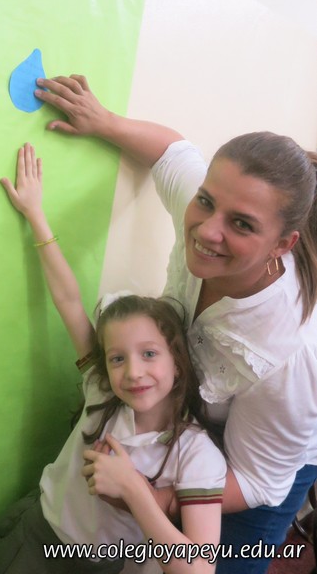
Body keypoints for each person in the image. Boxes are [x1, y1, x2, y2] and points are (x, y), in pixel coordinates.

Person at [33, 74, 317, 574]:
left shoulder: (292, 355)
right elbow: (172, 152)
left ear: (282, 244)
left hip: (263, 466)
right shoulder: (206, 204)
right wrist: (105, 122)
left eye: (241, 224)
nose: (206, 231)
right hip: (187, 427)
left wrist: (151, 498)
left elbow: (257, 480)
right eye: (206, 201)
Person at [0, 143, 226, 574]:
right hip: (35, 540)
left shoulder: (196, 453)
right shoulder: (102, 390)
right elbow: (68, 300)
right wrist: (35, 213)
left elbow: (199, 569)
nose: (133, 372)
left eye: (149, 354)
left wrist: (134, 490)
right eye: (117, 358)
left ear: (178, 361)